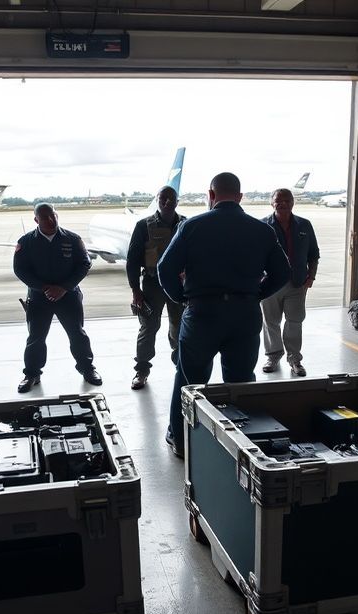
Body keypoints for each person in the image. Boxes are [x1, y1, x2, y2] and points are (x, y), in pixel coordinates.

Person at [158, 172, 290, 456]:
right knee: (240, 383)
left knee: (189, 381)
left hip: (202, 314)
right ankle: (242, 445)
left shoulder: (191, 226)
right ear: (240, 197)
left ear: (211, 195)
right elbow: (283, 272)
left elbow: (164, 269)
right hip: (244, 316)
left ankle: (181, 441)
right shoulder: (261, 230)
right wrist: (255, 295)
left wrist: (182, 297)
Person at [13, 203, 103, 393]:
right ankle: (32, 374)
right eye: (45, 217)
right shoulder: (26, 241)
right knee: (36, 338)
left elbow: (84, 264)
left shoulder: (72, 239)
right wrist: (44, 287)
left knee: (77, 334)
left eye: (53, 215)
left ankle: (87, 369)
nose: (50, 220)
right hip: (39, 298)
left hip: (68, 296)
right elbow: (20, 270)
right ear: (36, 219)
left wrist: (64, 287)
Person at [126, 185, 185, 390]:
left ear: (177, 201)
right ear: (157, 200)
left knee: (180, 327)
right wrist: (135, 290)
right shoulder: (144, 226)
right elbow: (132, 261)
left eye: (171, 198)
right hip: (152, 284)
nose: (167, 201)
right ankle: (141, 371)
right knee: (149, 327)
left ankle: (182, 367)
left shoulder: (186, 224)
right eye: (163, 198)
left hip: (180, 286)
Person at [260, 188, 319, 376]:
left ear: (293, 203)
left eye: (287, 200)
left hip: (297, 283)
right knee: (271, 322)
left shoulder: (304, 225)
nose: (283, 203)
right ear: (272, 203)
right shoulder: (262, 226)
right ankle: (273, 356)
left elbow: (313, 254)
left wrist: (311, 277)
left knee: (295, 322)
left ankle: (295, 359)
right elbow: (255, 255)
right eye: (278, 200)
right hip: (270, 283)